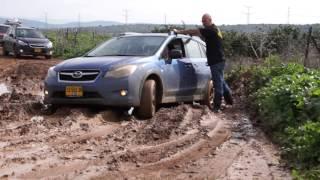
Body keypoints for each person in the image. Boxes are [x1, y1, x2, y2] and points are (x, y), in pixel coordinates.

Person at [173, 13, 233, 112]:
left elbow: (195, 31)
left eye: (205, 21)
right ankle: (230, 101)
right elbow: (197, 32)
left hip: (216, 61)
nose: (203, 23)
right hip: (219, 60)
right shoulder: (215, 29)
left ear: (210, 20)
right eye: (202, 21)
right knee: (221, 81)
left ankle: (217, 107)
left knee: (218, 84)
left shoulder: (211, 30)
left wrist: (179, 31)